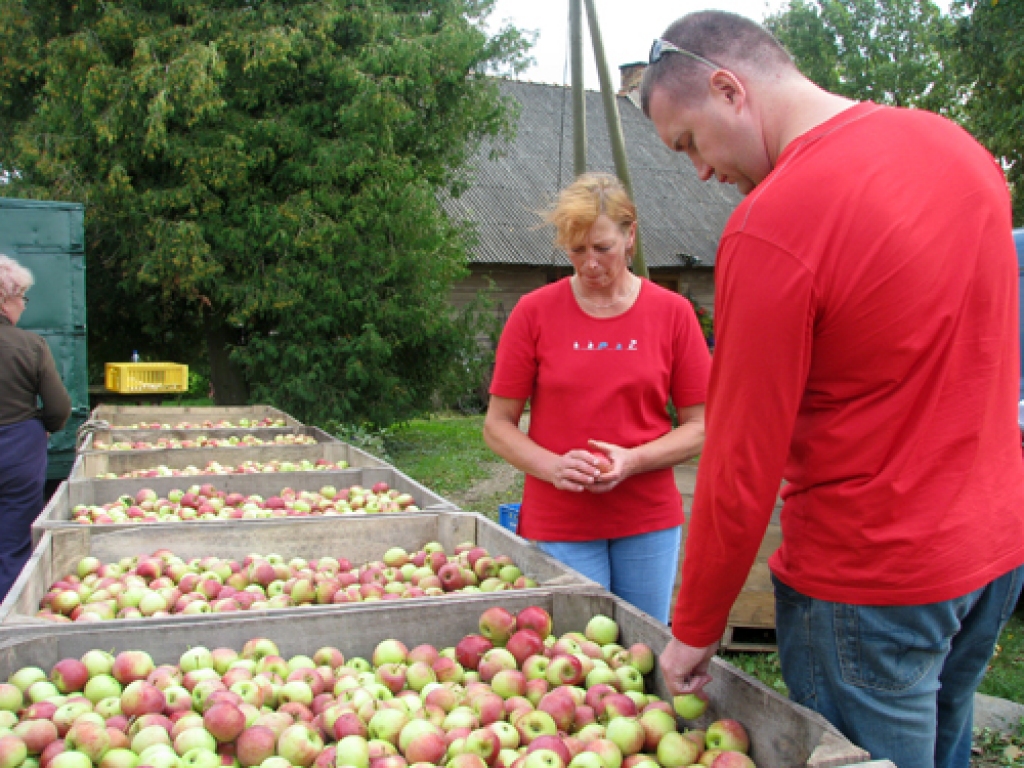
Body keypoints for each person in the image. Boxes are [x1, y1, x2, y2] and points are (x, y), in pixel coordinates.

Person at [640, 11, 1024, 768]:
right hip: (994, 548)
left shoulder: (773, 224)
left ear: (728, 88)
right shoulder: (962, 151)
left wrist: (694, 626)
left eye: (688, 143)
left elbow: (742, 460)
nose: (701, 172)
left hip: (870, 581)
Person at [483, 172, 712, 623]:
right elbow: (497, 424)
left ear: (630, 236)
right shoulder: (534, 313)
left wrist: (633, 461)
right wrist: (553, 467)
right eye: (577, 250)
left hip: (647, 518)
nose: (589, 263)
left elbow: (702, 426)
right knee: (579, 654)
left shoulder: (673, 313)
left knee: (644, 648)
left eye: (602, 248)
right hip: (561, 517)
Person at [0, 254, 71, 601]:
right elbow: (59, 407)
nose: (23, 307)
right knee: (13, 543)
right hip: (16, 448)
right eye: (21, 298)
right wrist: (43, 426)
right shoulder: (30, 346)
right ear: (4, 299)